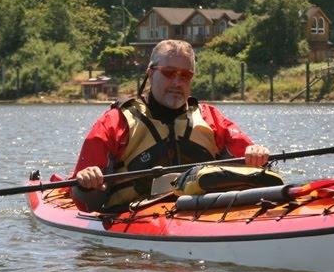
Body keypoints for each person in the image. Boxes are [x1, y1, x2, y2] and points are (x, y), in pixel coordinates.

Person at [71, 39, 270, 212]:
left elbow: (252, 164)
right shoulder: (116, 121)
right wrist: (88, 181)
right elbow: (83, 201)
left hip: (203, 209)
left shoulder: (211, 118)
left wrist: (256, 154)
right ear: (150, 74)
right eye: (169, 73)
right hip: (132, 214)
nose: (177, 82)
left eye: (185, 75)